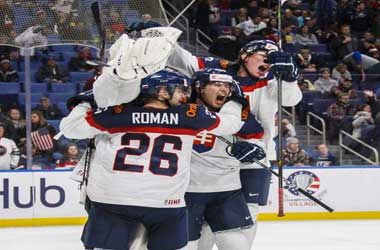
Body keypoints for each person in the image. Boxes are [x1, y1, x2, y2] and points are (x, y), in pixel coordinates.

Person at [59, 69, 247, 250]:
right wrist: (236, 100)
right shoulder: (191, 115)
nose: (184, 95)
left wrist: (86, 102)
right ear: (162, 91)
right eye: (180, 89)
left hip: (113, 201)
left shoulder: (118, 113)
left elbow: (70, 129)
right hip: (165, 203)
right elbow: (231, 124)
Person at [165, 39, 302, 249]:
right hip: (211, 156)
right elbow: (181, 58)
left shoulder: (274, 80)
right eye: (265, 56)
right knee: (204, 218)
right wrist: (159, 35)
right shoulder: (217, 70)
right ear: (245, 55)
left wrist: (291, 78)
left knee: (246, 216)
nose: (270, 61)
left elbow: (291, 100)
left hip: (255, 154)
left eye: (273, 58)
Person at [185, 68, 266, 250]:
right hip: (186, 188)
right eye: (216, 84)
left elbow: (257, 141)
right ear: (199, 87)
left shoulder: (240, 114)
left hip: (226, 188)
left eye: (227, 85)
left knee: (234, 239)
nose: (223, 89)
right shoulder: (179, 110)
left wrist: (252, 150)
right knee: (189, 243)